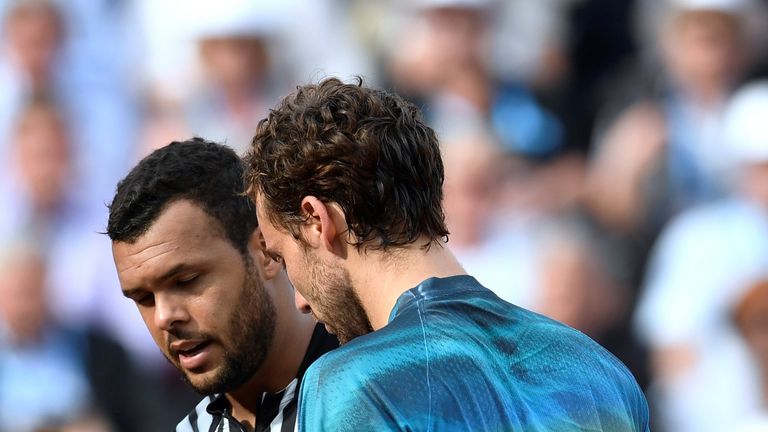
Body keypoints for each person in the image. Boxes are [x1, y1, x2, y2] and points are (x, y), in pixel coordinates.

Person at [244, 77, 651, 431]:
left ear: (318, 220)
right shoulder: (600, 369)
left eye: (283, 257)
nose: (299, 301)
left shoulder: (351, 384)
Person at [107, 138, 337, 431]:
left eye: (186, 281)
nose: (164, 317)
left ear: (266, 251)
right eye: (144, 298)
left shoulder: (382, 388)